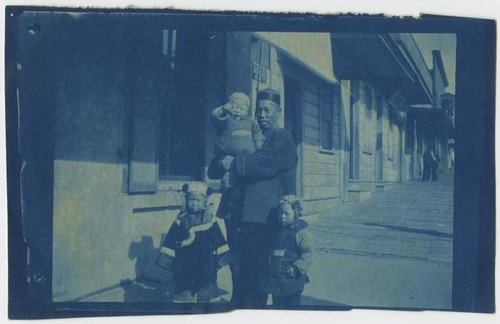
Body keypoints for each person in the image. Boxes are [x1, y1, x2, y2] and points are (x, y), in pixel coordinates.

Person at [210, 88, 298, 308]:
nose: (262, 115)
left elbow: (265, 163)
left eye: (267, 110)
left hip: (263, 216)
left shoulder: (283, 138)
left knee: (258, 272)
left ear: (278, 111)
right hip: (235, 211)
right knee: (237, 267)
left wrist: (234, 160)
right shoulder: (244, 129)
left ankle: (252, 311)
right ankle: (237, 307)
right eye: (259, 110)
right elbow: (217, 164)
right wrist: (221, 160)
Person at [155, 183, 230, 303]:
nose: (194, 203)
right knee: (184, 288)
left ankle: (206, 310)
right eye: (191, 199)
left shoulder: (210, 219)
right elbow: (171, 239)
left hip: (206, 261)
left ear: (205, 201)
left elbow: (218, 239)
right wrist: (170, 259)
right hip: (186, 262)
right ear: (186, 200)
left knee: (207, 288)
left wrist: (221, 259)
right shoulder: (181, 219)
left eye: (198, 200)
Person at [259, 195, 313, 307]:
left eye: (286, 214)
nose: (282, 216)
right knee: (278, 303)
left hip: (292, 278)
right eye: (280, 213)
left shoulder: (301, 233)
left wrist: (298, 268)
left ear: (296, 214)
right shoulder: (275, 230)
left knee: (292, 305)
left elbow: (307, 253)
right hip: (276, 279)